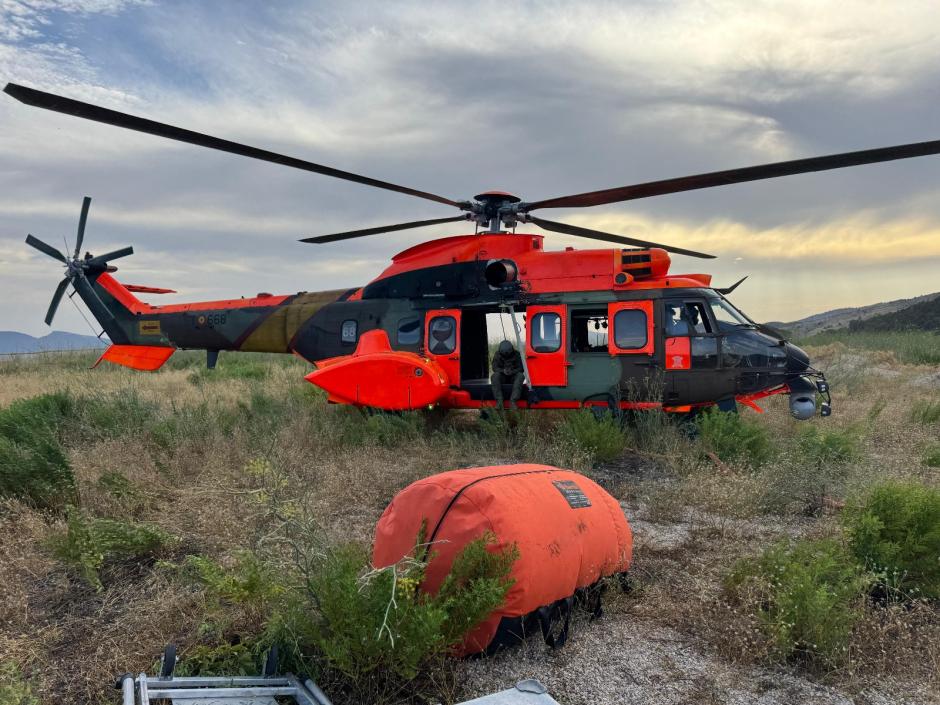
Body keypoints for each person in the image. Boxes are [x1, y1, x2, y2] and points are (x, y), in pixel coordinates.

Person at [491, 340, 525, 410]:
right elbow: (494, 368)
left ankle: (513, 401)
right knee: (494, 376)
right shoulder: (497, 355)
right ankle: (499, 402)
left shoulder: (517, 354)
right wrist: (503, 371)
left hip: (513, 376)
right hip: (502, 376)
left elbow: (521, 368)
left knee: (520, 376)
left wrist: (513, 371)